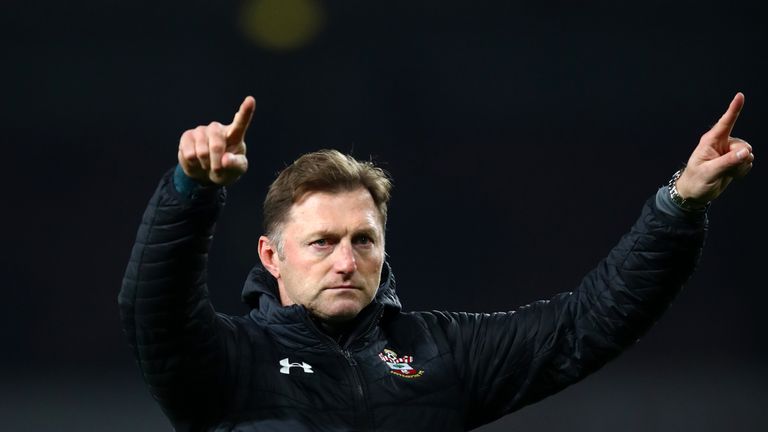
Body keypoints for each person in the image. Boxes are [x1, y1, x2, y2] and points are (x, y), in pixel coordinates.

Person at [119, 94, 754, 431]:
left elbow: (589, 322)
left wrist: (679, 203)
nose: (345, 260)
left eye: (362, 240)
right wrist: (190, 190)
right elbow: (153, 311)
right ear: (271, 256)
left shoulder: (439, 352)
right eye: (321, 242)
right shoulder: (228, 364)